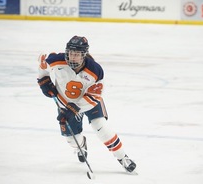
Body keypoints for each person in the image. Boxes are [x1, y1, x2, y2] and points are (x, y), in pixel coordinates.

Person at [37, 35, 136, 173]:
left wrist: (76, 108)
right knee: (71, 138)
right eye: (70, 53)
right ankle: (81, 145)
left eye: (77, 54)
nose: (72, 57)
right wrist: (43, 80)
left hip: (89, 101)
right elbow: (42, 63)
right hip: (65, 103)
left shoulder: (95, 70)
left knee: (100, 127)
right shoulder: (55, 61)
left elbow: (94, 96)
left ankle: (122, 157)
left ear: (84, 55)